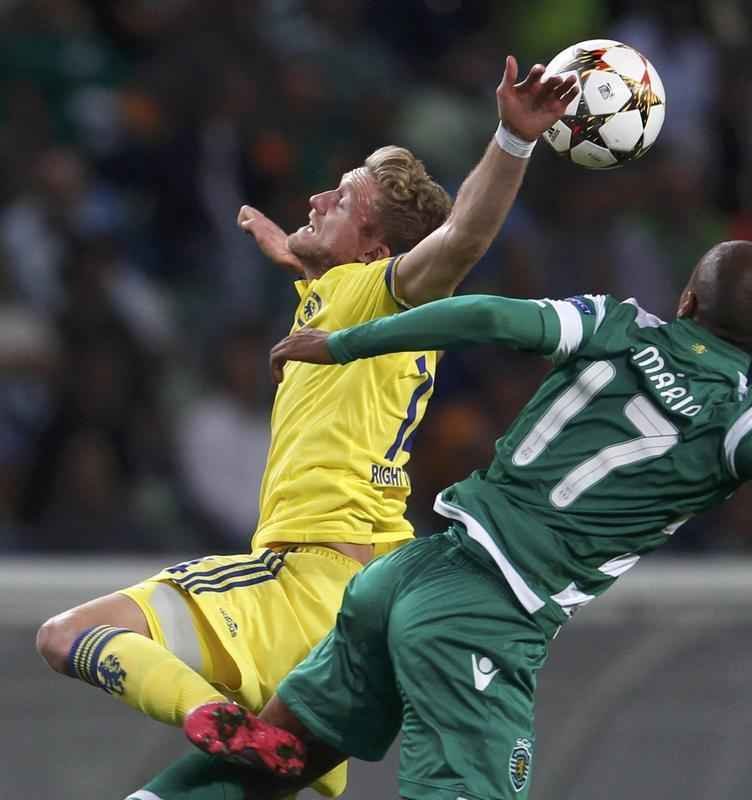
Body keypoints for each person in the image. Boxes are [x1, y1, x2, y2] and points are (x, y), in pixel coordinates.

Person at [144, 240, 752, 800]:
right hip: (482, 619)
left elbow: (487, 319)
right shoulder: (743, 420)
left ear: (687, 298)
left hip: (412, 571)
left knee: (276, 753)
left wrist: (348, 340)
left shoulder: (612, 320)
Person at [35, 55, 579, 799]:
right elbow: (345, 280)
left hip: (302, 577)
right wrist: (299, 260)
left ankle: (213, 716)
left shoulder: (381, 290)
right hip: (359, 612)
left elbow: (458, 242)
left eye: (344, 196)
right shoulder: (348, 298)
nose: (319, 196)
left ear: (377, 249)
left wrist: (513, 140)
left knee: (67, 634)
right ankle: (249, 741)